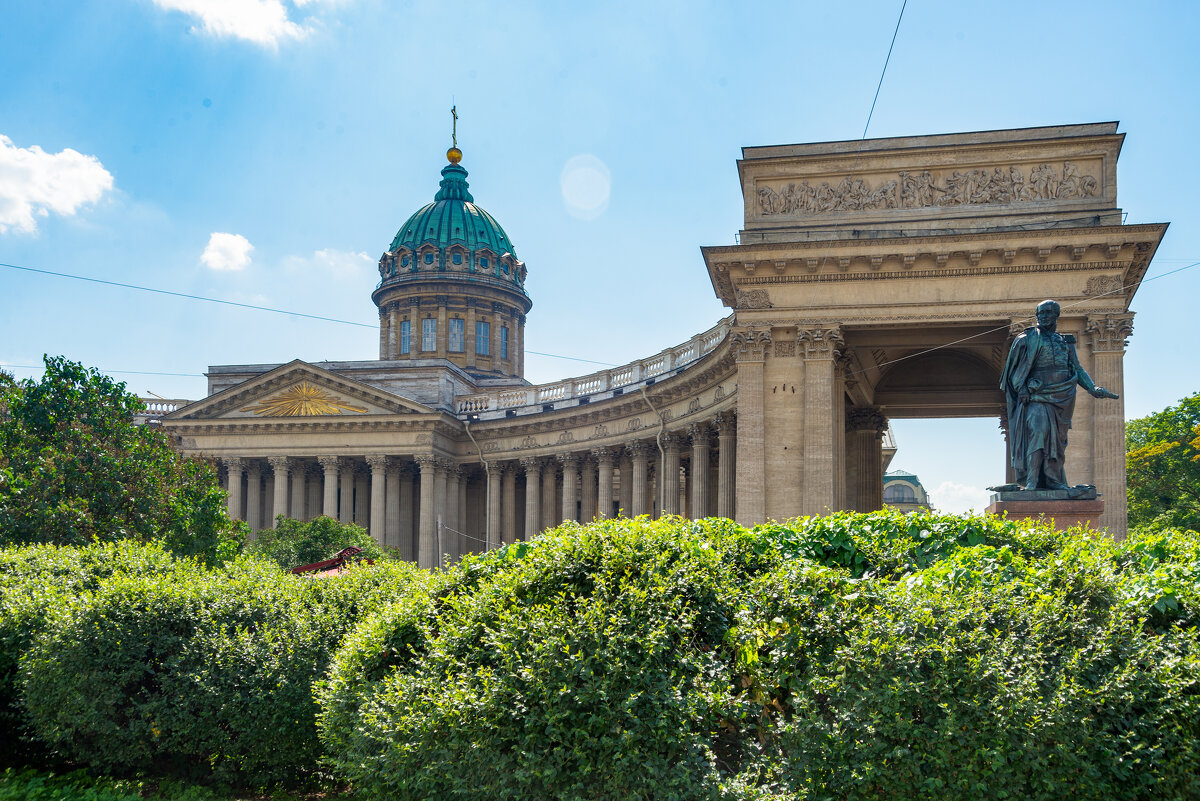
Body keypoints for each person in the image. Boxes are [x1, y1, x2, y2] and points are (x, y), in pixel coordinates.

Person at [1001, 300, 1118, 490]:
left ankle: (1054, 481)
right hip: (1037, 396)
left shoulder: (1065, 341)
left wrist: (1091, 387)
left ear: (1057, 316)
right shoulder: (1026, 339)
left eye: (1048, 313)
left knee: (1056, 442)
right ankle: (1031, 482)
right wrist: (1022, 387)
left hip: (1062, 398)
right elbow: (1012, 373)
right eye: (1041, 313)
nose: (1044, 317)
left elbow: (1077, 368)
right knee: (1038, 433)